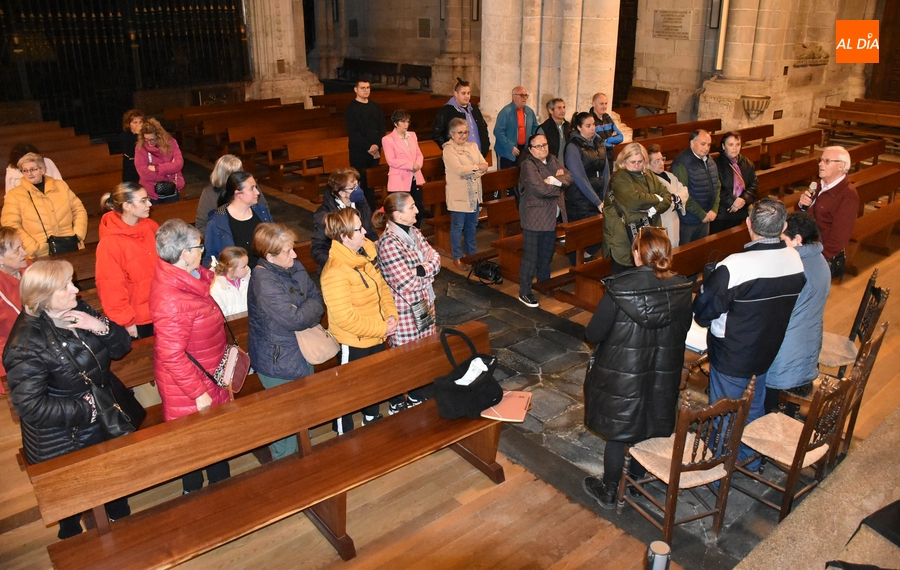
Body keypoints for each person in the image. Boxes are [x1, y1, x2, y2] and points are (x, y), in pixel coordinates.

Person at [4, 259, 133, 538]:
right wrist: (85, 410)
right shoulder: (25, 343)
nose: (76, 290)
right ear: (44, 298)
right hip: (62, 437)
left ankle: (124, 531)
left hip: (100, 420)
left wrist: (97, 324)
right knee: (70, 509)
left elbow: (122, 346)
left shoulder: (78, 309)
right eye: (66, 286)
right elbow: (30, 405)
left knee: (112, 489)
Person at [581, 227, 694, 509]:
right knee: (648, 425)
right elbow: (684, 329)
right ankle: (637, 482)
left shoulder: (620, 290)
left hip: (623, 374)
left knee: (620, 432)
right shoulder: (681, 290)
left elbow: (594, 334)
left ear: (636, 254)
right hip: (662, 370)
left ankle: (609, 490)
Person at [693, 199, 806, 468]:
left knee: (726, 409)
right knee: (754, 404)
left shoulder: (735, 266)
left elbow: (703, 312)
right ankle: (751, 460)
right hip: (767, 348)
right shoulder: (794, 259)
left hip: (733, 352)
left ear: (748, 224)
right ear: (784, 227)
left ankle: (722, 465)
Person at [149, 219, 232, 494]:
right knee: (195, 447)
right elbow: (171, 355)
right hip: (190, 387)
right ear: (185, 254)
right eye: (199, 246)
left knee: (215, 441)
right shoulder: (172, 298)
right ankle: (194, 497)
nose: (203, 250)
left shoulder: (188, 280)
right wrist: (197, 393)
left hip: (209, 373)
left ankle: (221, 490)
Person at [319, 208, 399, 433]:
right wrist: (383, 327)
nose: (365, 231)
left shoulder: (365, 254)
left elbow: (381, 286)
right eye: (358, 229)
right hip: (353, 340)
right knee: (347, 390)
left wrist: (390, 314)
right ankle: (343, 435)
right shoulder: (335, 272)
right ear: (344, 237)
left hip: (376, 333)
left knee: (372, 381)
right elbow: (345, 318)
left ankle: (371, 417)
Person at [248, 224, 325, 457]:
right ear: (270, 256)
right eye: (287, 251)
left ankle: (305, 464)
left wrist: (304, 309)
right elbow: (295, 319)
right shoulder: (264, 281)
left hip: (301, 350)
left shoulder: (293, 265)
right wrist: (304, 310)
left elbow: (317, 298)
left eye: (292, 249)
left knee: (304, 415)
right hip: (278, 359)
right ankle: (284, 473)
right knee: (286, 427)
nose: (294, 254)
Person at [372, 192, 441, 408]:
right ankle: (409, 395)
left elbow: (436, 260)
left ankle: (418, 392)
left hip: (424, 304)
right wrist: (425, 271)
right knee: (407, 358)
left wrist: (421, 270)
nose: (417, 210)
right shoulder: (388, 244)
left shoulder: (415, 232)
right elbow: (407, 284)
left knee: (425, 352)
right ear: (398, 215)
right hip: (405, 311)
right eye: (412, 207)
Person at [764, 213, 831, 414]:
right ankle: (788, 413)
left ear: (798, 239)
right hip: (808, 345)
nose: (779, 244)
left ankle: (767, 425)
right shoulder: (820, 260)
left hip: (787, 355)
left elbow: (774, 312)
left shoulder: (795, 267)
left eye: (783, 239)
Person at [95, 182, 159, 339]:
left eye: (148, 199)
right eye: (143, 200)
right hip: (139, 319)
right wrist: (127, 321)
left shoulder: (150, 226)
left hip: (163, 309)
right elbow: (110, 286)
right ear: (127, 206)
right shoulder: (110, 243)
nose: (149, 204)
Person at [517, 133, 572, 308]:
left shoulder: (553, 159)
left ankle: (543, 284)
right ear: (531, 149)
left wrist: (553, 180)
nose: (543, 149)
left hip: (551, 216)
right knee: (530, 257)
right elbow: (539, 189)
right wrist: (558, 185)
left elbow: (569, 178)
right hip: (534, 217)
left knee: (546, 255)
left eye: (545, 145)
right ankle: (524, 292)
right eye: (539, 146)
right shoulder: (528, 164)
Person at [1, 152, 87, 258]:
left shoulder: (61, 186)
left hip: (70, 245)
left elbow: (78, 209)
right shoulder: (14, 195)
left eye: (33, 169)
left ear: (42, 169)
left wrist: (78, 234)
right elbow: (10, 224)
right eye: (25, 170)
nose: (29, 173)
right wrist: (31, 246)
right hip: (40, 253)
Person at [602, 143, 672, 274]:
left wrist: (653, 210)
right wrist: (657, 198)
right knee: (624, 280)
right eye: (632, 162)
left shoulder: (649, 175)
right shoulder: (619, 178)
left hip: (648, 237)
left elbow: (667, 197)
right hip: (623, 238)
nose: (636, 165)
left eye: (640, 161)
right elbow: (635, 201)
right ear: (624, 161)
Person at [798, 145, 859, 278]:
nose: (820, 164)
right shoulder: (820, 185)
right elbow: (806, 214)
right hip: (807, 247)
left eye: (827, 161)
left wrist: (819, 259)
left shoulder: (847, 195)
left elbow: (839, 238)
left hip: (820, 256)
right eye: (820, 160)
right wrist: (802, 204)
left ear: (841, 166)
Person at [442, 118, 488, 271]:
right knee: (457, 226)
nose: (463, 135)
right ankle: (457, 256)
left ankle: (472, 255)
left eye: (466, 132)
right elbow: (458, 169)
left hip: (474, 193)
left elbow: (485, 165)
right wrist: (476, 168)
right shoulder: (449, 149)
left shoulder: (473, 146)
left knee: (472, 225)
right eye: (460, 132)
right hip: (458, 193)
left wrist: (472, 172)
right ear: (452, 134)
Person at [204, 171, 274, 268]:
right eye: (252, 188)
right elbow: (210, 259)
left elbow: (275, 242)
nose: (257, 192)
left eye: (256, 187)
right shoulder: (217, 222)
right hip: (236, 280)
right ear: (238, 194)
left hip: (266, 275)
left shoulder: (261, 211)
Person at [311, 168, 375, 271]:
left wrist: (376, 243)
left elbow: (368, 229)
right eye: (353, 187)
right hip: (340, 266)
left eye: (357, 184)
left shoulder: (361, 204)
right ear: (342, 193)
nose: (358, 189)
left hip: (362, 258)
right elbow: (317, 249)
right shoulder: (324, 215)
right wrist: (338, 263)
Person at [564, 111, 607, 265]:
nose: (592, 128)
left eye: (593, 125)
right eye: (588, 126)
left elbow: (606, 170)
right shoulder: (573, 147)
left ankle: (587, 256)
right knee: (584, 235)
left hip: (598, 196)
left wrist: (605, 195)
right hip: (580, 198)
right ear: (578, 128)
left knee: (600, 232)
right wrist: (597, 201)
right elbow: (579, 177)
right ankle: (580, 263)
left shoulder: (599, 142)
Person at [196, 154, 268, 236]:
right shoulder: (209, 193)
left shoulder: (250, 187)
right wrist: (217, 240)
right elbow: (201, 224)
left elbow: (264, 210)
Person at [671, 129, 720, 245]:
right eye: (703, 144)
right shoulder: (681, 163)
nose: (707, 148)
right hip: (689, 219)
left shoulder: (709, 160)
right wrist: (702, 214)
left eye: (709, 144)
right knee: (686, 253)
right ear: (692, 143)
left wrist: (714, 209)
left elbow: (717, 185)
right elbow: (682, 194)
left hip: (707, 216)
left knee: (700, 252)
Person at [344, 80, 385, 209]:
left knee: (372, 183)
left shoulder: (375, 106)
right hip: (359, 152)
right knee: (360, 182)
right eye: (362, 88)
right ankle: (360, 210)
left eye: (368, 87)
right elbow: (353, 132)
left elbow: (382, 128)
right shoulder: (351, 109)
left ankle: (371, 210)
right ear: (355, 90)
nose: (366, 90)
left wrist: (377, 145)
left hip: (375, 151)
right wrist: (369, 147)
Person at [382, 109, 426, 227]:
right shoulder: (388, 139)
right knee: (402, 211)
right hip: (400, 180)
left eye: (407, 122)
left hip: (414, 176)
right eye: (403, 122)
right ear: (396, 123)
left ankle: (416, 233)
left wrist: (418, 164)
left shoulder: (412, 135)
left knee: (418, 208)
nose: (406, 124)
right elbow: (391, 161)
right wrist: (410, 165)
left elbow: (419, 154)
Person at [711, 132, 758, 235]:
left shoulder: (747, 163)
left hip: (741, 211)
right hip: (722, 212)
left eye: (738, 144)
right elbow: (715, 187)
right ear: (723, 146)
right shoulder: (715, 164)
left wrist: (742, 200)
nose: (735, 148)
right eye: (731, 144)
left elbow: (753, 184)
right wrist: (733, 201)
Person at [431, 77, 491, 158]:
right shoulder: (446, 111)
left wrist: (485, 146)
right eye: (463, 93)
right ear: (456, 94)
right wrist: (450, 148)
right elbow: (437, 133)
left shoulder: (474, 109)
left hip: (478, 154)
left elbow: (483, 127)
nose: (467, 96)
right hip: (459, 156)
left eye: (468, 93)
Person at [0, 227, 30, 386]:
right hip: (18, 359)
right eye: (17, 250)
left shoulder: (32, 271)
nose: (25, 252)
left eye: (22, 246)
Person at [646, 144, 688, 247]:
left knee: (674, 246)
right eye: (656, 161)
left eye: (662, 159)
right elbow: (659, 199)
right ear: (647, 164)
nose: (661, 163)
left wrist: (674, 198)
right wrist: (675, 198)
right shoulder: (648, 180)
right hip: (662, 219)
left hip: (674, 218)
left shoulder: (669, 175)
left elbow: (684, 190)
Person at [134, 118, 185, 204]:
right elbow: (143, 173)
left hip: (172, 188)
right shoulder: (140, 147)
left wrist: (157, 168)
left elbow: (179, 164)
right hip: (151, 191)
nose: (150, 143)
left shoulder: (171, 142)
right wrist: (169, 173)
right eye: (146, 139)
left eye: (152, 139)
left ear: (159, 135)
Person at [493, 86, 538, 171]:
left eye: (525, 95)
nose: (524, 98)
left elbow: (535, 128)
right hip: (507, 151)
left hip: (523, 150)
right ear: (514, 97)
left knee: (520, 178)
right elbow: (498, 131)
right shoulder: (506, 112)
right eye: (521, 95)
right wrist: (510, 147)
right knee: (506, 179)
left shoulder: (529, 112)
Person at [587, 93, 624, 173]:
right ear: (594, 104)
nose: (604, 106)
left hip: (609, 155)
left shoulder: (608, 118)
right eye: (601, 103)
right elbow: (598, 141)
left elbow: (621, 137)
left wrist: (608, 140)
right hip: (597, 157)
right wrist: (612, 138)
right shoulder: (589, 119)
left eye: (606, 103)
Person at [210, 246, 251, 318]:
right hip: (233, 325)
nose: (247, 269)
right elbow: (222, 315)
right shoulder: (216, 288)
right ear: (230, 269)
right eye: (243, 267)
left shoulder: (248, 279)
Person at [119, 109, 144, 183]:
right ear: (128, 124)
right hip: (131, 168)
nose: (138, 125)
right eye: (135, 122)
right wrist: (137, 135)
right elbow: (130, 152)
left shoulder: (146, 135)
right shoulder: (124, 136)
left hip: (144, 166)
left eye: (140, 122)